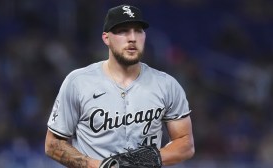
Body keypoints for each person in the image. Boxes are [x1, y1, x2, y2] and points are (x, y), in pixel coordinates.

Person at [45, 4, 195, 168]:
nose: (132, 38)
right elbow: (53, 145)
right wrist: (100, 166)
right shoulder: (78, 82)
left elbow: (185, 144)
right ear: (106, 38)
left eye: (138, 31)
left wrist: (147, 159)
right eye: (123, 31)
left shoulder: (167, 85)